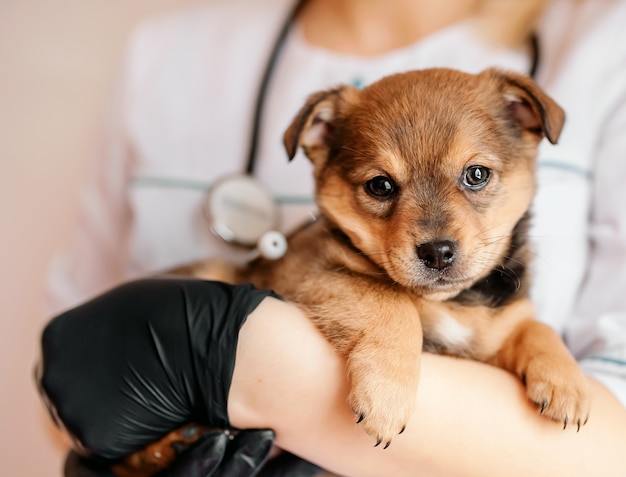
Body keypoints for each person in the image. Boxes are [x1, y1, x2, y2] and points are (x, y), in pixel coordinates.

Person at [39, 0, 626, 475]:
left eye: (475, 177)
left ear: (528, 125)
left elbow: (608, 434)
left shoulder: (600, 34)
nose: (435, 236)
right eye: (380, 186)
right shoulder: (167, 52)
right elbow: (69, 354)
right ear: (319, 150)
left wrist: (540, 349)